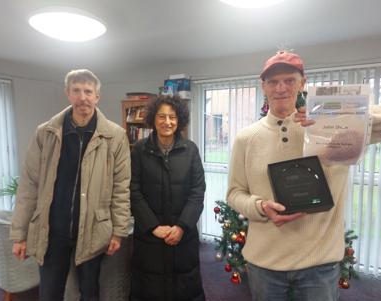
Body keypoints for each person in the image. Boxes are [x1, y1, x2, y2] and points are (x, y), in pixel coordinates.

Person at [227, 51, 381, 301]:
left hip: (319, 265)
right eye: (273, 82)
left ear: (303, 82)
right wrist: (260, 206)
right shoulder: (247, 138)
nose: (281, 88)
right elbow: (235, 193)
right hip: (265, 264)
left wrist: (333, 115)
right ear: (263, 86)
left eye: (289, 80)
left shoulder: (331, 127)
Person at [9, 69, 131, 301]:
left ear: (97, 96)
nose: (82, 97)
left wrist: (119, 231)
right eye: (76, 90)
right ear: (68, 94)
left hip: (94, 230)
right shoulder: (45, 133)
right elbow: (29, 186)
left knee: (90, 292)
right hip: (52, 231)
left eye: (88, 91)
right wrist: (19, 234)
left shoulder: (115, 136)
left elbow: (121, 189)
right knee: (50, 292)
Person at [130, 96, 206, 301]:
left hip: (183, 235)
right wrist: (153, 226)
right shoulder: (139, 149)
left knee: (184, 288)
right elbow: (133, 191)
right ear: (153, 119)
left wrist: (182, 226)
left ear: (179, 120)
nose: (167, 122)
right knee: (150, 289)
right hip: (149, 235)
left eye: (172, 117)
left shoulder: (190, 150)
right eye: (161, 116)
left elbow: (197, 192)